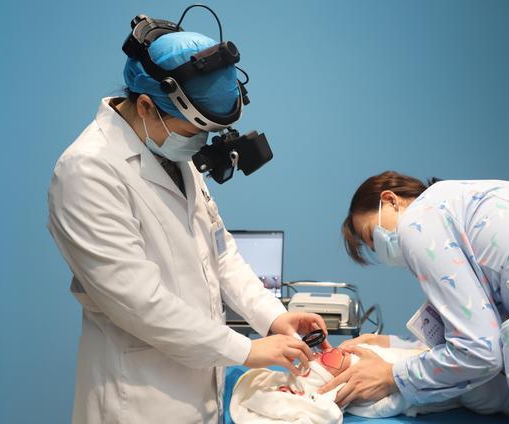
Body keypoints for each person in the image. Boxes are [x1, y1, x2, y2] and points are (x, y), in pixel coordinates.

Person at [47, 24, 327, 423]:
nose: (200, 143)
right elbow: (140, 302)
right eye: (194, 130)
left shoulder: (169, 151)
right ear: (146, 106)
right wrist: (246, 350)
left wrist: (270, 316)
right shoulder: (87, 171)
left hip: (201, 387)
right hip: (139, 399)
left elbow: (220, 252)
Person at [318, 171, 509, 424]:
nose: (381, 249)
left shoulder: (418, 222)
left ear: (390, 200)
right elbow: (486, 329)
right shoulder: (464, 199)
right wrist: (393, 344)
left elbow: (479, 351)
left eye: (372, 236)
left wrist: (392, 375)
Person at [230, 341, 509, 423]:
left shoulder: (364, 353)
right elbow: (394, 401)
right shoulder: (367, 397)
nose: (323, 351)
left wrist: (384, 342)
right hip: (474, 384)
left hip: (473, 361)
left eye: (318, 352)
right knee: (489, 392)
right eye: (324, 358)